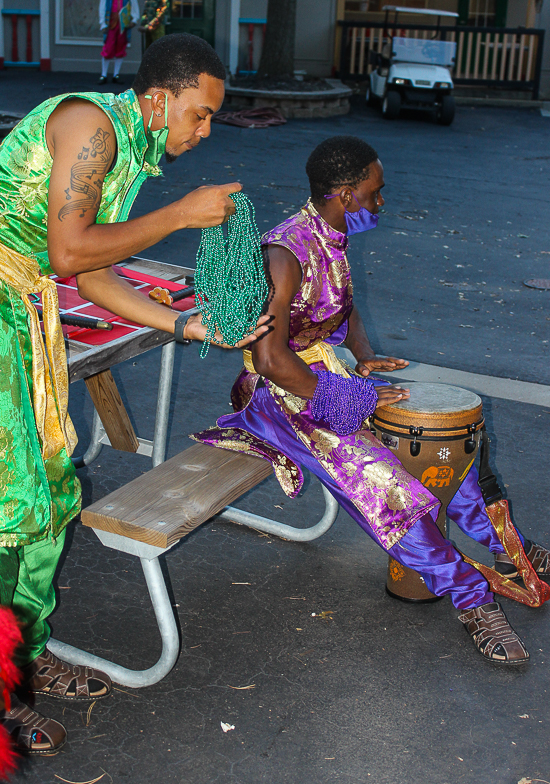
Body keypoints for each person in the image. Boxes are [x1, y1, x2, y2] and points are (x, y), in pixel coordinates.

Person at [0, 33, 268, 755]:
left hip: (21, 311)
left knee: (51, 491)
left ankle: (22, 653)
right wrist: (180, 215)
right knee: (11, 501)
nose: (206, 130)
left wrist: (190, 324)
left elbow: (93, 272)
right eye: (201, 114)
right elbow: (68, 253)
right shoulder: (91, 126)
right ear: (159, 98)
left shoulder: (129, 144)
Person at [193, 135, 550, 667]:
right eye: (374, 193)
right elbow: (269, 360)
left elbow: (345, 306)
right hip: (282, 396)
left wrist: (362, 358)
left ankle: (509, 547)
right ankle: (472, 598)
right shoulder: (284, 252)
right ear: (344, 194)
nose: (381, 202)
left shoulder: (329, 232)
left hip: (328, 377)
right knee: (385, 484)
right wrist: (350, 397)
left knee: (436, 450)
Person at [98, 0, 140, 85]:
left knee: (120, 48)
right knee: (108, 49)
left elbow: (134, 5)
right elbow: (102, 7)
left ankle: (116, 75)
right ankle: (103, 75)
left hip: (123, 24)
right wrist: (103, 23)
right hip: (111, 23)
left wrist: (134, 19)